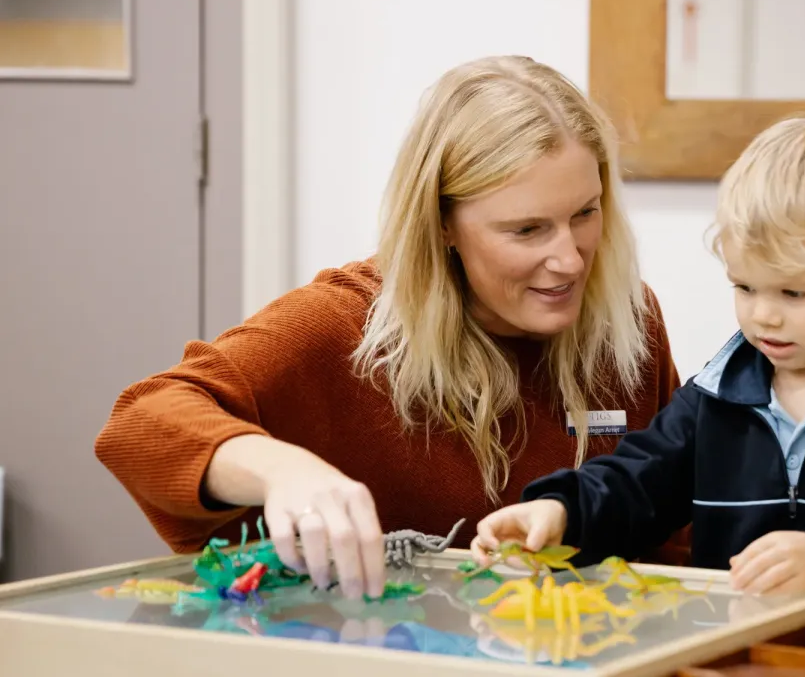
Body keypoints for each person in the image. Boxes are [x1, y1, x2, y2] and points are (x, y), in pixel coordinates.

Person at [94, 55, 688, 601]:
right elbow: (141, 423)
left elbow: (676, 541)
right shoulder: (342, 325)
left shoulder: (628, 322)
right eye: (527, 230)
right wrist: (284, 471)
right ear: (442, 224)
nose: (571, 260)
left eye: (585, 213)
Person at [471, 114, 805, 599]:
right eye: (745, 287)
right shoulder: (712, 399)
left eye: (793, 293)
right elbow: (636, 484)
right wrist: (563, 512)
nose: (763, 316)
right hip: (733, 645)